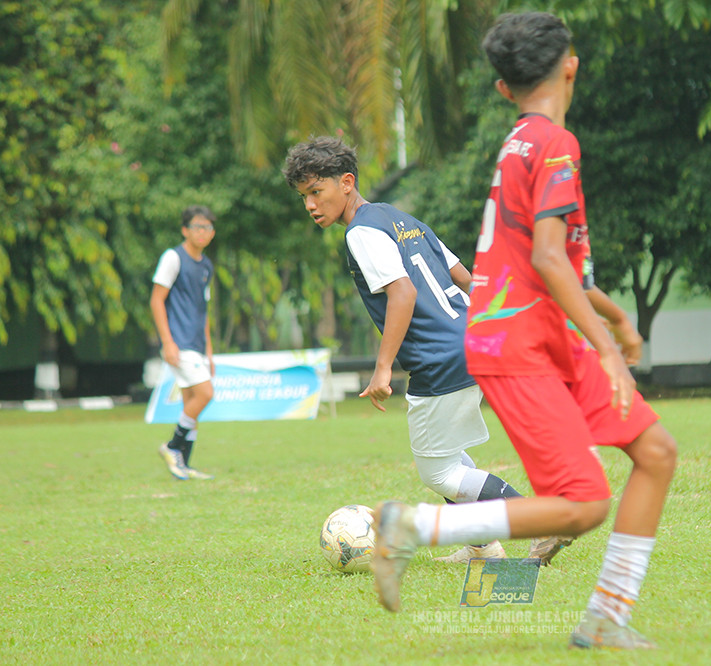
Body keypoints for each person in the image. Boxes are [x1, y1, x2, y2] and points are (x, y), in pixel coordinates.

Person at [370, 12, 677, 651]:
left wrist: (614, 317)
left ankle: (606, 617)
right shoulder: (557, 145)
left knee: (656, 453)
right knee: (584, 503)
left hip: (536, 335)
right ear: (571, 64)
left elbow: (548, 259)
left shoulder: (522, 142)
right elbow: (544, 257)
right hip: (518, 342)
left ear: (503, 89)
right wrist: (608, 348)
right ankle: (414, 527)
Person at [282, 136, 553, 564]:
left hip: (438, 356)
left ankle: (544, 522)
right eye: (304, 197)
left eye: (317, 192)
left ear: (347, 183)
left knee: (439, 472)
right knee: (449, 456)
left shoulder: (360, 233)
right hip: (468, 342)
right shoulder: (401, 218)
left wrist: (383, 368)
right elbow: (462, 274)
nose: (311, 205)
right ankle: (482, 547)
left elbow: (403, 294)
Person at [150, 205, 217, 481]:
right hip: (180, 342)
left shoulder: (206, 266)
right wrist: (167, 342)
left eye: (208, 227)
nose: (203, 232)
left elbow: (203, 312)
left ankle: (183, 464)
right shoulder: (172, 258)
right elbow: (156, 300)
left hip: (197, 345)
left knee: (192, 401)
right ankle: (172, 446)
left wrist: (210, 352)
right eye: (197, 226)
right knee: (205, 394)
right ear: (185, 230)